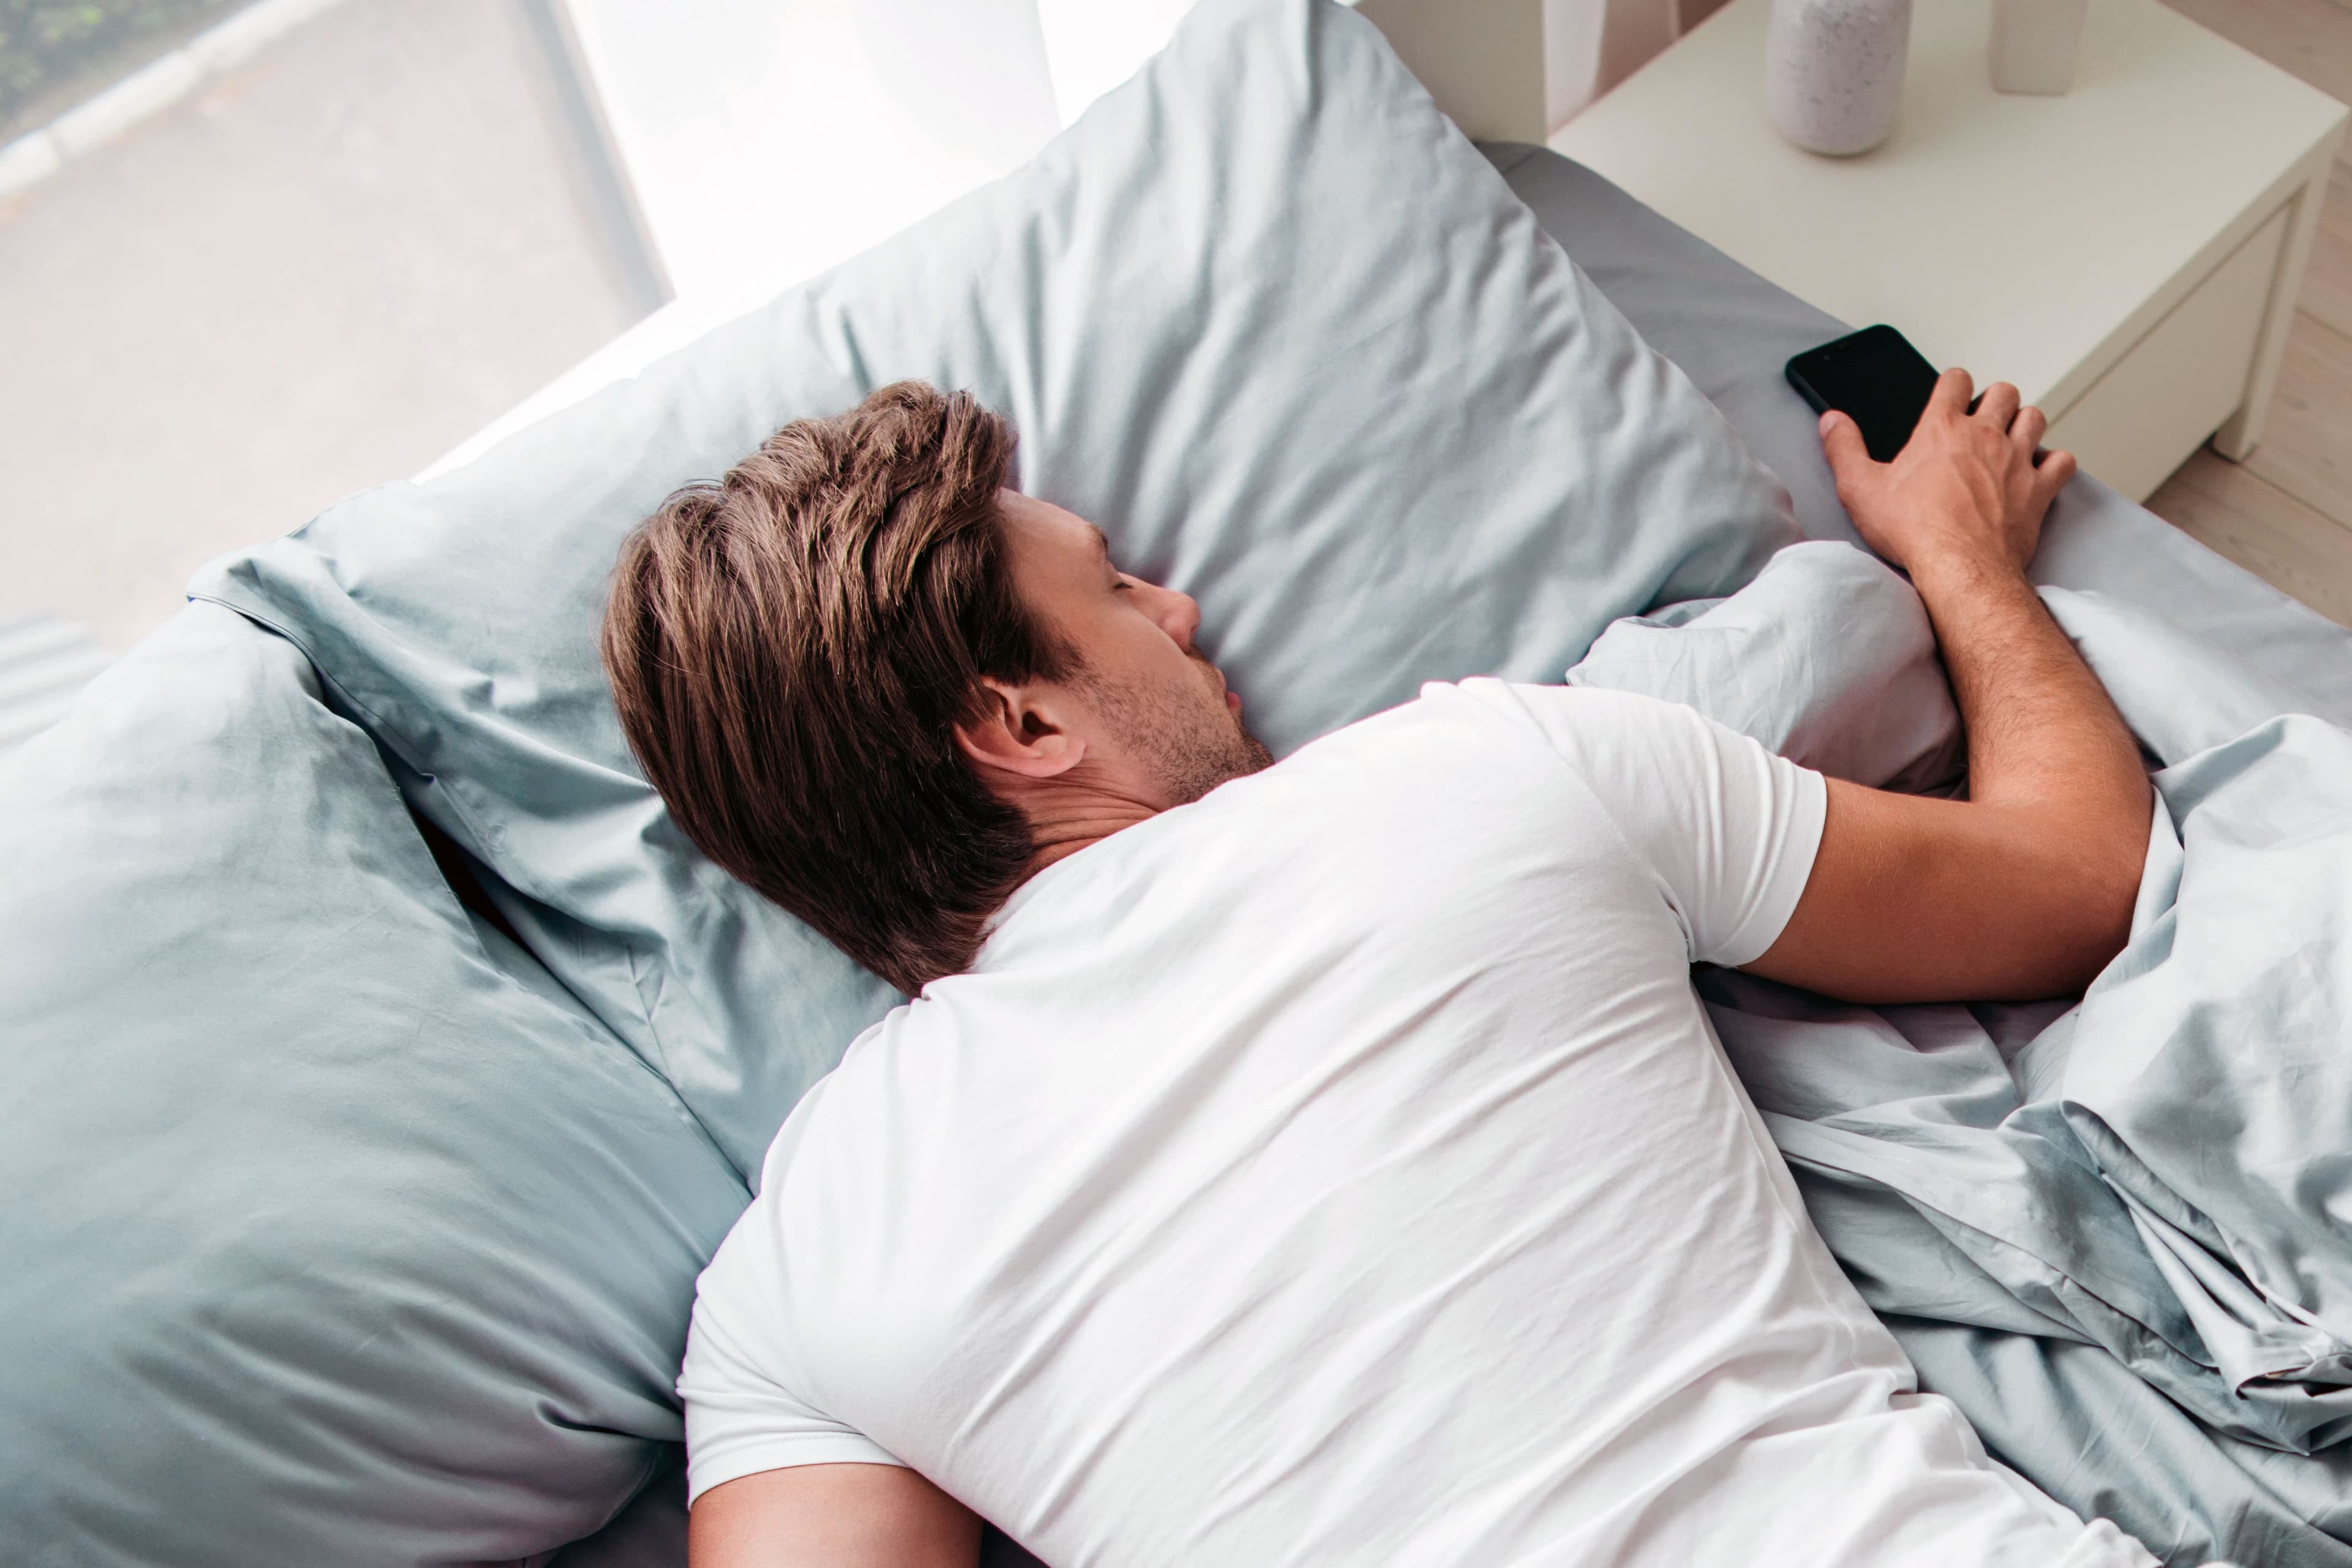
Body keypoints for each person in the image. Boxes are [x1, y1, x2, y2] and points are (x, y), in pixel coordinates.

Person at [600, 375, 2157, 1567]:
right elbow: (2079, 881)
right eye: (1119, 593)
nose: (1182, 607)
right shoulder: (1480, 768)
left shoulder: (792, 1287)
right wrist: (1959, 551)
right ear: (1021, 728)